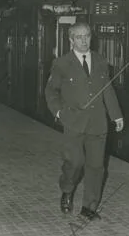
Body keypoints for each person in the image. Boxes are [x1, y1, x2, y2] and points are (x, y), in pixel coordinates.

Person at [45, 22, 124, 220]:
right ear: (71, 40)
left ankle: (89, 207)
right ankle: (67, 189)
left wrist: (117, 115)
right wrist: (59, 113)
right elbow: (51, 92)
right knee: (75, 162)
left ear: (91, 37)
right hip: (73, 122)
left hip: (97, 123)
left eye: (87, 36)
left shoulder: (100, 61)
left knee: (96, 166)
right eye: (78, 37)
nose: (83, 40)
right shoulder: (61, 64)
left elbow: (107, 89)